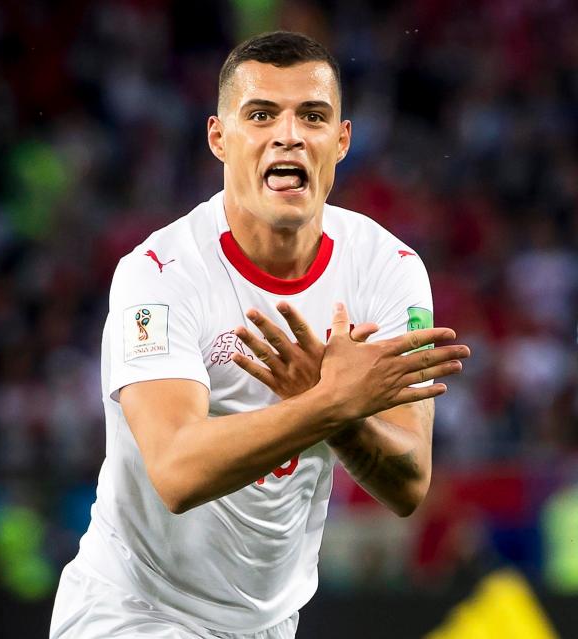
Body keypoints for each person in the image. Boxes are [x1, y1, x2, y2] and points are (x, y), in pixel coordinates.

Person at [50, 31, 471, 639]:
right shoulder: (159, 274)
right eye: (261, 114)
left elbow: (408, 485)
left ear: (342, 140)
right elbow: (176, 470)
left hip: (269, 623)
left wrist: (342, 417)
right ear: (219, 138)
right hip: (135, 609)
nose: (289, 134)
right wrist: (328, 403)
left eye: (313, 116)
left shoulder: (389, 270)